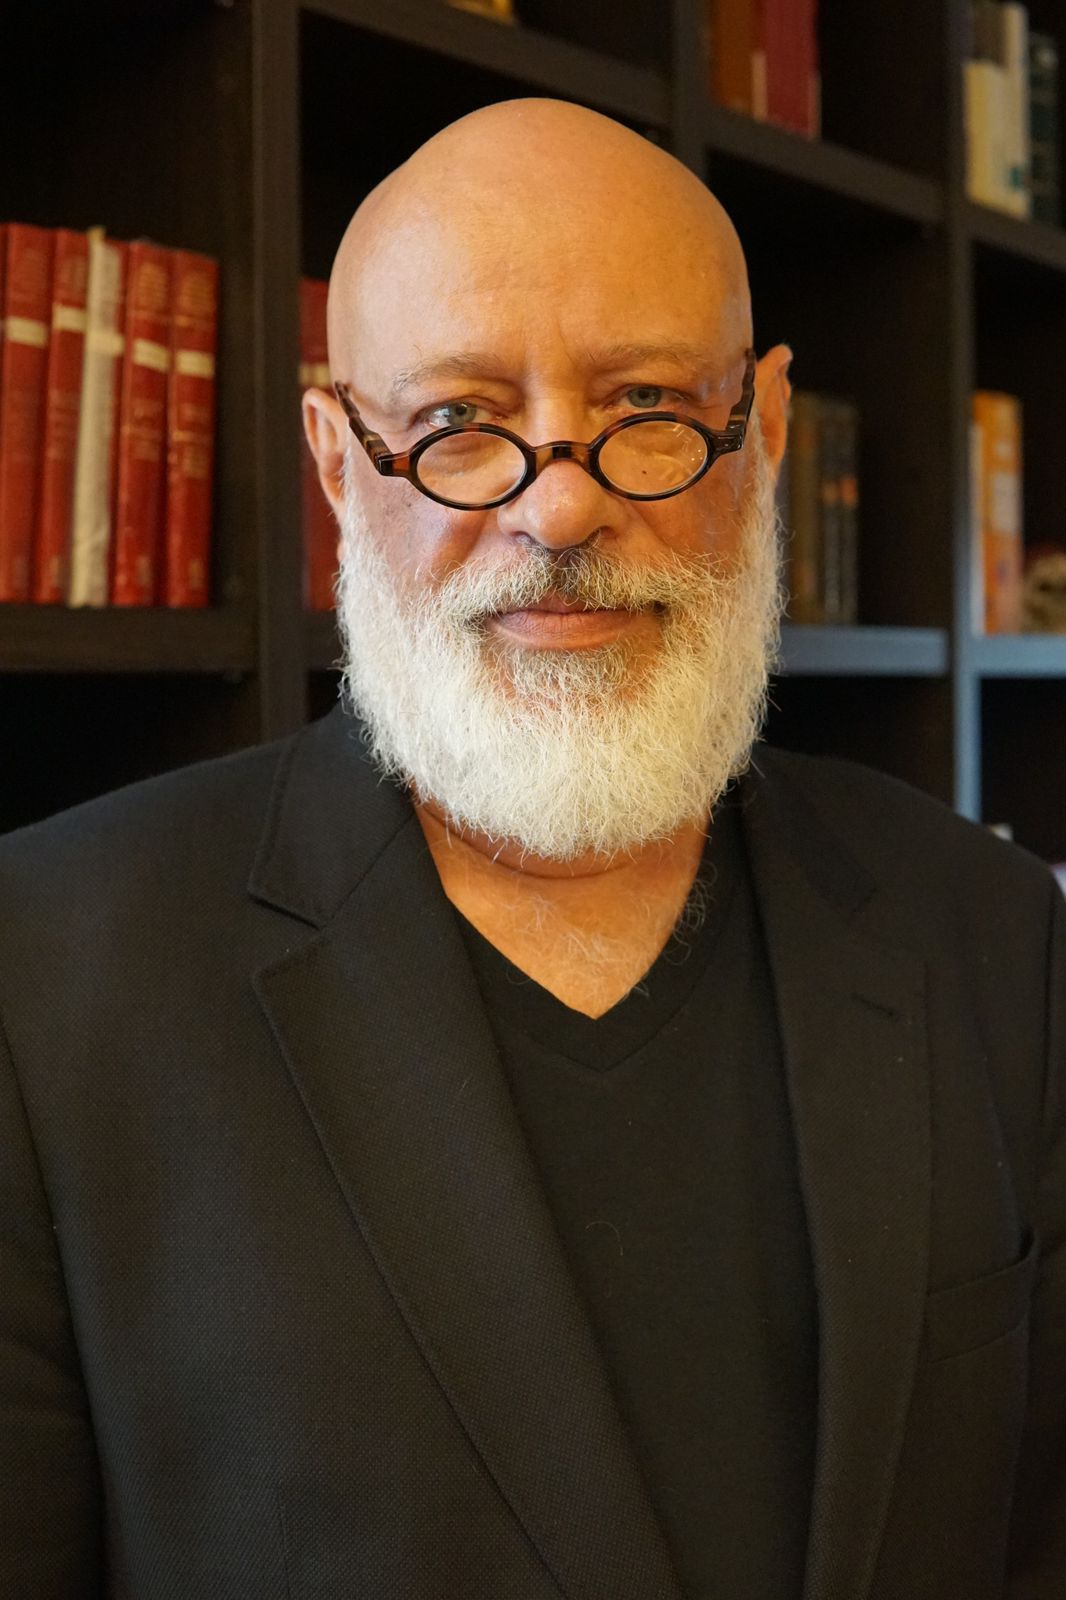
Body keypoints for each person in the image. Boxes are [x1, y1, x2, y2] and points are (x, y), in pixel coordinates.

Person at [1, 98, 1063, 1600]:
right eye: (457, 424)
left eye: (647, 405)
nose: (558, 504)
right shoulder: (45, 979)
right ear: (336, 459)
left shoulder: (998, 932)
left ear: (761, 430)